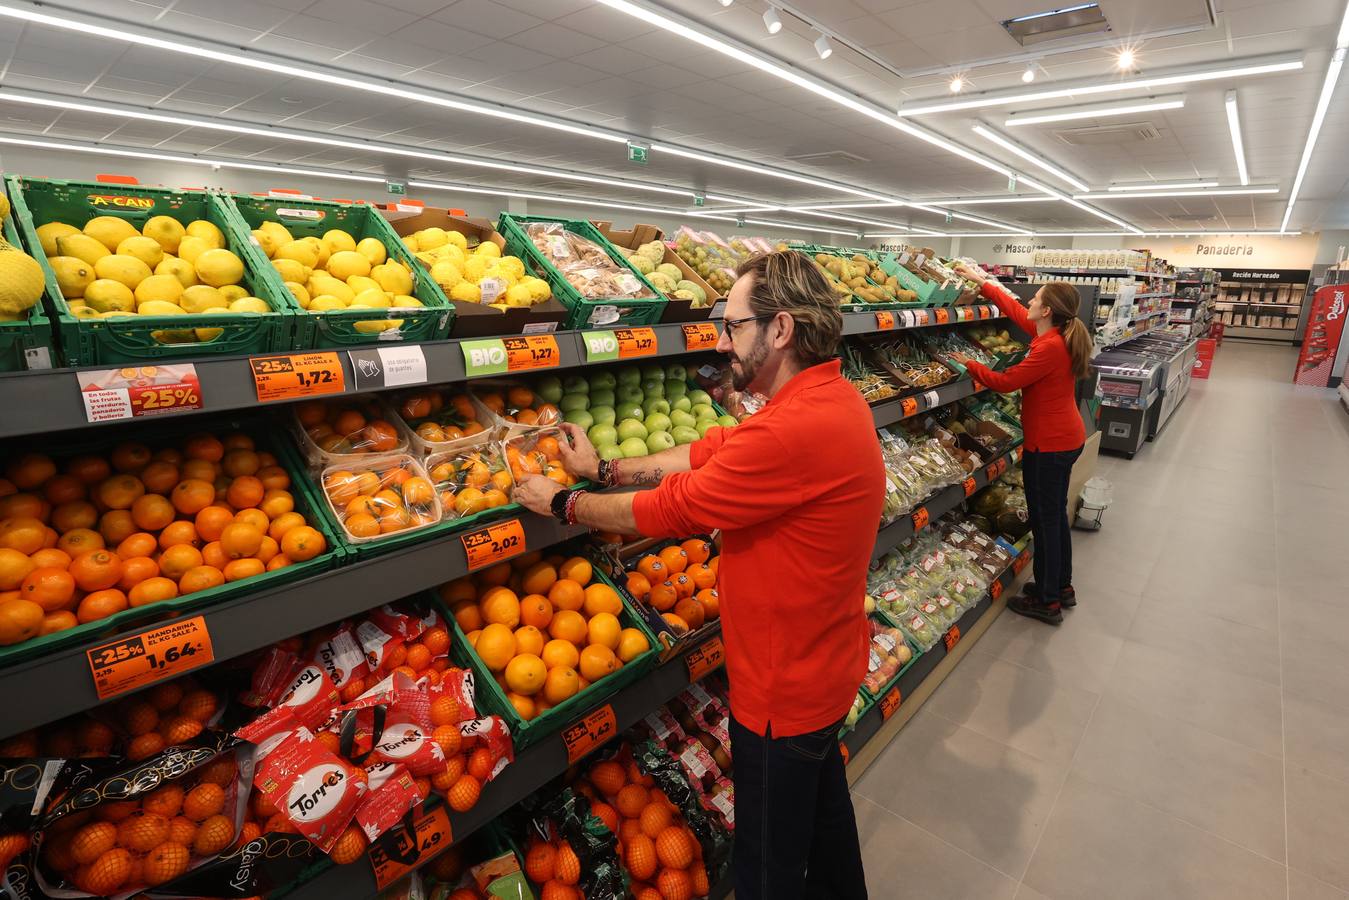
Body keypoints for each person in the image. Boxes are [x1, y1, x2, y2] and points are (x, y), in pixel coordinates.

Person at [515, 250, 882, 900]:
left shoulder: (794, 429)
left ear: (780, 329)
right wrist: (605, 470)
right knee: (825, 828)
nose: (720, 342)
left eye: (733, 325)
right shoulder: (826, 399)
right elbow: (711, 450)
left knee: (766, 868)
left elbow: (674, 508)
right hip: (824, 666)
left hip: (784, 690)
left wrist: (565, 503)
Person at [950, 265, 1090, 626]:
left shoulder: (1049, 348)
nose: (1029, 301)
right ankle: (1060, 586)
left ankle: (1047, 601)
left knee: (1045, 521)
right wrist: (983, 284)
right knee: (1055, 516)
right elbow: (1014, 309)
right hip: (1064, 438)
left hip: (1050, 445)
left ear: (1047, 311)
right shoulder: (1055, 334)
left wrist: (969, 364)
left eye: (1036, 299)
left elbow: (1006, 382)